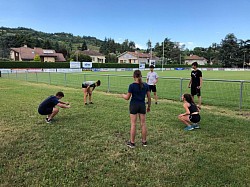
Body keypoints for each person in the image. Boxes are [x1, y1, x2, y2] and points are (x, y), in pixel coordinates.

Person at [122, 70, 151, 148]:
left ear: (134, 76)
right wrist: (149, 106)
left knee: (133, 124)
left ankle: (132, 143)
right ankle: (144, 142)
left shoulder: (132, 86)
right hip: (142, 105)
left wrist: (122, 95)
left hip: (134, 105)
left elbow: (127, 97)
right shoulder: (146, 85)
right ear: (141, 76)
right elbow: (149, 97)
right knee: (143, 124)